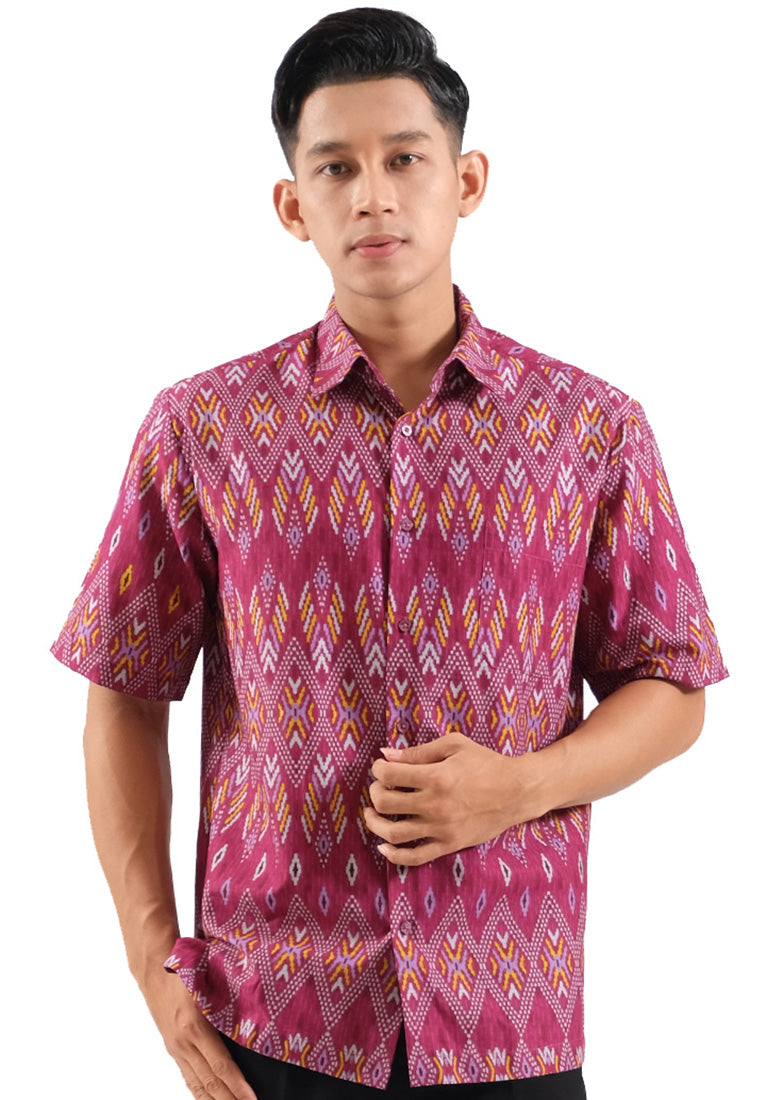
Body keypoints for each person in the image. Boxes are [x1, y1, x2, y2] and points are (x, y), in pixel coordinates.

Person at [52, 8, 727, 1098]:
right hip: (274, 1022)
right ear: (293, 204)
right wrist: (151, 963)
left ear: (467, 181)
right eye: (337, 167)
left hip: (508, 1021)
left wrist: (520, 787)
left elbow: (672, 684)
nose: (373, 195)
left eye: (405, 159)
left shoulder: (590, 429)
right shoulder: (204, 428)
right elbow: (123, 690)